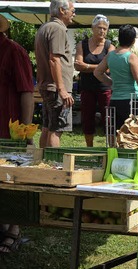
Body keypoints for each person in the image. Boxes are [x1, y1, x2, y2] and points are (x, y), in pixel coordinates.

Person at [0, 15, 33, 254]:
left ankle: (13, 229)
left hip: (8, 128)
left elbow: (27, 92)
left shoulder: (14, 51)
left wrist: (26, 129)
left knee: (12, 180)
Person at [94, 25, 138, 133]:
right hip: (131, 101)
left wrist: (112, 83)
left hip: (115, 100)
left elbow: (97, 72)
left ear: (119, 38)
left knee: (118, 133)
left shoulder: (110, 55)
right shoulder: (131, 56)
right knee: (133, 134)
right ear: (133, 41)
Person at [34, 0, 75, 148]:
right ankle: (52, 166)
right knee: (56, 129)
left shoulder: (44, 27)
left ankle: (42, 164)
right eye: (72, 10)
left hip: (48, 86)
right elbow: (54, 60)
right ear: (62, 10)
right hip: (56, 88)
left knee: (47, 127)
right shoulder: (57, 29)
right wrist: (62, 89)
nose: (74, 14)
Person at [74, 14, 115, 147]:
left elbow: (109, 68)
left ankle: (109, 147)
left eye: (105, 28)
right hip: (87, 88)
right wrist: (100, 68)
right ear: (92, 28)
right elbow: (77, 65)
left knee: (108, 119)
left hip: (104, 88)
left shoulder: (110, 46)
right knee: (87, 118)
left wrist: (86, 66)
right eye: (99, 28)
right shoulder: (82, 44)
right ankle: (89, 147)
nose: (102, 31)